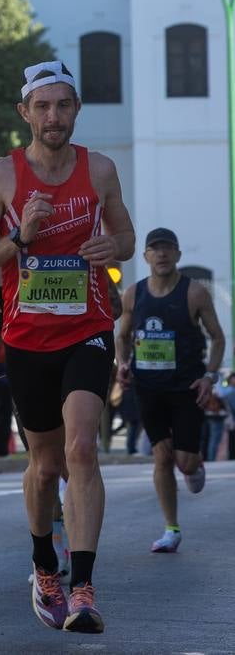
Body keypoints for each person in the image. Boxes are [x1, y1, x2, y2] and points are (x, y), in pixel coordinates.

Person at [0, 60, 134, 635]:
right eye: (42, 106)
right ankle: (44, 566)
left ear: (76, 110)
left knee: (82, 449)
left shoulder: (101, 169)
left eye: (63, 105)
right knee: (46, 463)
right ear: (25, 113)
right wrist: (20, 237)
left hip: (86, 327)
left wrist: (113, 247)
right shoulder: (0, 177)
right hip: (27, 337)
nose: (53, 116)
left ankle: (83, 587)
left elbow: (127, 236)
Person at [116, 227, 224, 553]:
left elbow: (217, 337)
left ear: (177, 254)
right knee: (161, 456)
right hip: (148, 388)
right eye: (155, 249)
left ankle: (195, 462)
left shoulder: (194, 293)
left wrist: (210, 376)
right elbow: (122, 335)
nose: (161, 254)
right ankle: (171, 528)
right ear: (146, 256)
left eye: (167, 249)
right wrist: (122, 364)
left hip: (185, 388)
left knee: (184, 463)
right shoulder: (134, 294)